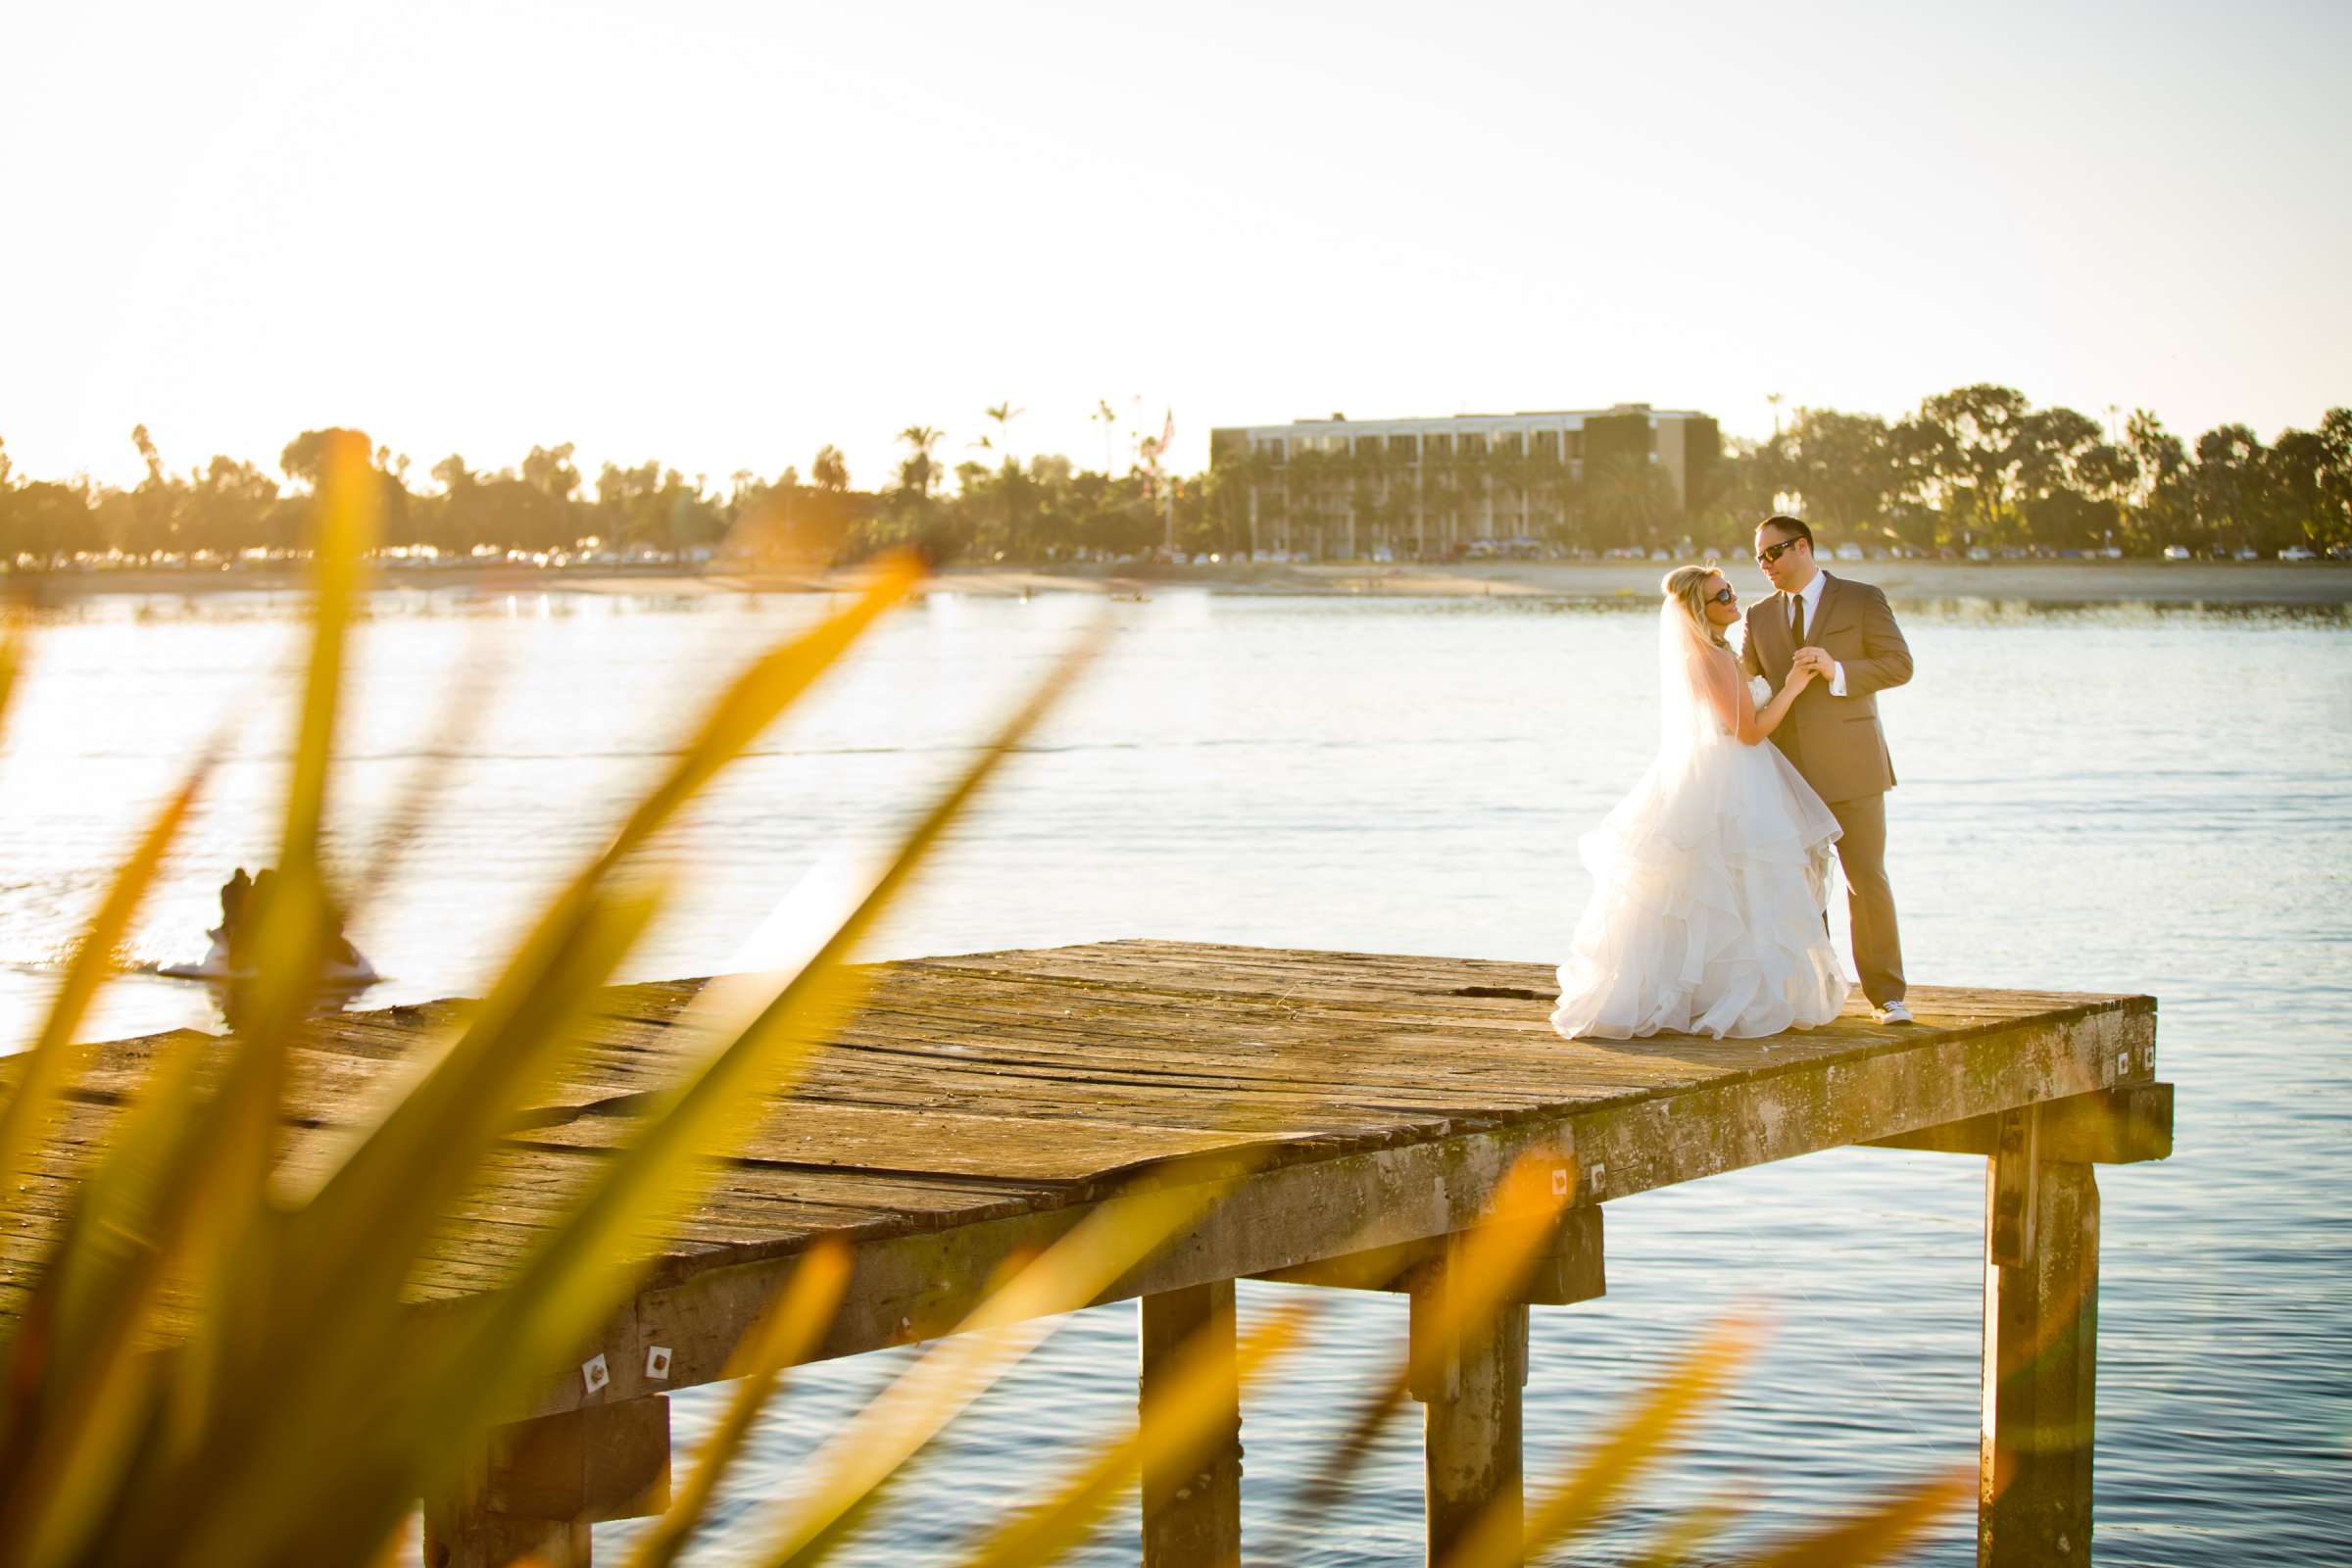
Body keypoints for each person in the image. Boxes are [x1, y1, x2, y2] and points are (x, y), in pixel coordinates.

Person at [1552, 565, 1852, 1040]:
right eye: (1722, 595)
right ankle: (1722, 997)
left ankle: (1714, 993)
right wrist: (1794, 684)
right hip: (1731, 777)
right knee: (1727, 885)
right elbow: (1749, 731)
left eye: (1730, 590)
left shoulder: (1719, 651)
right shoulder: (1710, 659)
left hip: (1732, 775)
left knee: (1733, 888)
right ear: (1699, 610)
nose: (1734, 599)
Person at [1739, 514, 1914, 1024]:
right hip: (1785, 776)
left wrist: (1837, 670)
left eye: (1772, 553)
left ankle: (1887, 997)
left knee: (1867, 881)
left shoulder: (1862, 599)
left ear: (1803, 547)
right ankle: (1815, 996)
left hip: (1854, 769)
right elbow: (1754, 687)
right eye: (1759, 558)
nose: (1765, 565)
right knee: (1799, 889)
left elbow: (1898, 665)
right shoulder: (1757, 615)